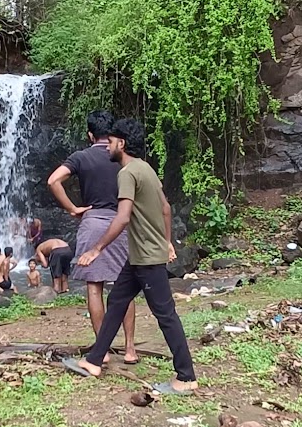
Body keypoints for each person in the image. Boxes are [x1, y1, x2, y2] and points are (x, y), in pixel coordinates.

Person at [66, 119, 196, 396]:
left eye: (111, 142)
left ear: (121, 144)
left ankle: (186, 376)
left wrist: (96, 249)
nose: (107, 147)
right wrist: (167, 240)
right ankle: (93, 361)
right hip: (138, 255)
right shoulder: (145, 168)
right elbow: (165, 208)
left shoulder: (126, 174)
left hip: (146, 258)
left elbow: (122, 217)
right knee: (116, 302)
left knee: (166, 314)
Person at [48, 110, 138, 365]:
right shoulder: (121, 156)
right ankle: (130, 349)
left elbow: (53, 180)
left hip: (93, 222)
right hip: (121, 224)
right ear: (112, 134)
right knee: (125, 287)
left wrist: (72, 208)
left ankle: (103, 350)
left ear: (90, 134)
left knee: (94, 288)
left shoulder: (81, 157)